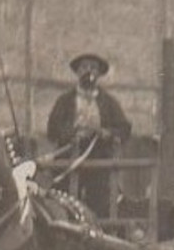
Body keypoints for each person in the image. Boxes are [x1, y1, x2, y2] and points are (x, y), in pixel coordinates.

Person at [45, 52, 132, 219]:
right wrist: (72, 134)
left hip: (98, 162)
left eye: (93, 67)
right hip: (69, 161)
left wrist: (107, 133)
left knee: (100, 204)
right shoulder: (65, 101)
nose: (89, 71)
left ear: (99, 74)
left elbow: (124, 128)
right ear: (77, 72)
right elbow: (52, 129)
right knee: (64, 203)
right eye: (84, 67)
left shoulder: (108, 102)